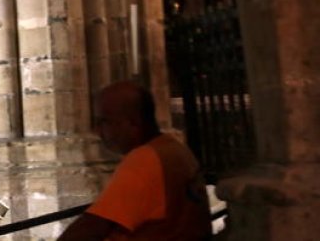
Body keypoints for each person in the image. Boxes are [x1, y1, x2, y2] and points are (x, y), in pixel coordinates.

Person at [58, 81, 211, 241]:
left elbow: (92, 226)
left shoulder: (144, 161)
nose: (98, 131)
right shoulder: (175, 149)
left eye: (105, 121)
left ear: (133, 123)